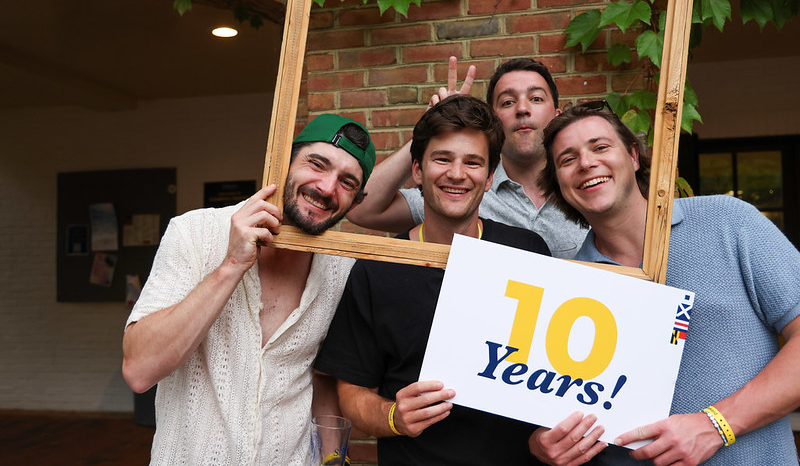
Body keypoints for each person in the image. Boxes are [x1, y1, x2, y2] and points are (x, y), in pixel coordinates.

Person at [528, 103, 800, 465]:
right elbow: (551, 409)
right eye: (567, 159)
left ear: (634, 156)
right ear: (559, 185)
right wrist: (540, 444)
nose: (586, 163)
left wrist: (716, 425)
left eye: (600, 147)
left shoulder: (729, 222)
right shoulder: (570, 285)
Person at [121, 114, 376, 466]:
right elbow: (139, 370)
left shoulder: (343, 269)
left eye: (347, 182)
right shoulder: (193, 233)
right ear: (282, 163)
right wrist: (231, 266)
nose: (327, 187)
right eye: (317, 164)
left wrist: (332, 457)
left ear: (356, 203)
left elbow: (324, 379)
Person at [315, 95, 552, 465]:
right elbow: (352, 394)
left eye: (473, 162)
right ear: (417, 171)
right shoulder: (377, 270)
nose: (457, 173)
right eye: (442, 159)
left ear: (489, 178)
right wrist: (393, 416)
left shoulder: (527, 252)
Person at [345, 56, 588, 258]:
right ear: (494, 119)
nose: (522, 109)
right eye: (508, 101)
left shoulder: (587, 188)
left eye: (536, 98)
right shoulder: (457, 189)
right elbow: (359, 207)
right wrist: (433, 132)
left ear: (557, 116)